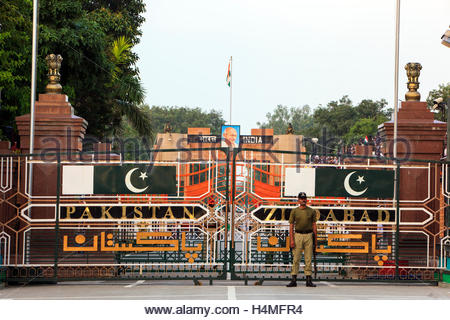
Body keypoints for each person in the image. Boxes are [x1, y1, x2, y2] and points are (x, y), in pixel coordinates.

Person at [286, 192, 317, 287]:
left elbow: (314, 225)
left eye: (304, 198)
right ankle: (294, 279)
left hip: (308, 235)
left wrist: (315, 240)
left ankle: (308, 279)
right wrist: (291, 240)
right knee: (296, 258)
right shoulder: (294, 211)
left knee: (308, 258)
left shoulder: (311, 211)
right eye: (301, 198)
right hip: (298, 235)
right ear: (298, 200)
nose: (303, 200)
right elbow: (291, 226)